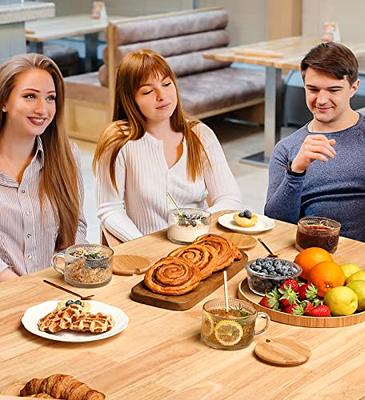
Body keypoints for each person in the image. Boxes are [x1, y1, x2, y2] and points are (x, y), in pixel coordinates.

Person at [93, 49, 241, 242]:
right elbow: (110, 209)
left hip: (197, 243)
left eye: (166, 84)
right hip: (144, 252)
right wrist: (145, 245)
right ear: (129, 100)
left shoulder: (199, 135)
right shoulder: (118, 141)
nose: (162, 95)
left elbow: (230, 198)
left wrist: (195, 226)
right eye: (147, 91)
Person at [264, 42, 365, 251]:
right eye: (313, 89)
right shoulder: (286, 148)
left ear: (354, 87)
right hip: (313, 257)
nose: (321, 99)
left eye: (333, 90)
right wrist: (296, 171)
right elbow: (278, 223)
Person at [0, 53, 87, 281]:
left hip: (54, 294)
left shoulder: (67, 156)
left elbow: (76, 225)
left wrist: (60, 271)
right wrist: (22, 288)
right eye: (30, 96)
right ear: (4, 101)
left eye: (50, 98)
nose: (43, 109)